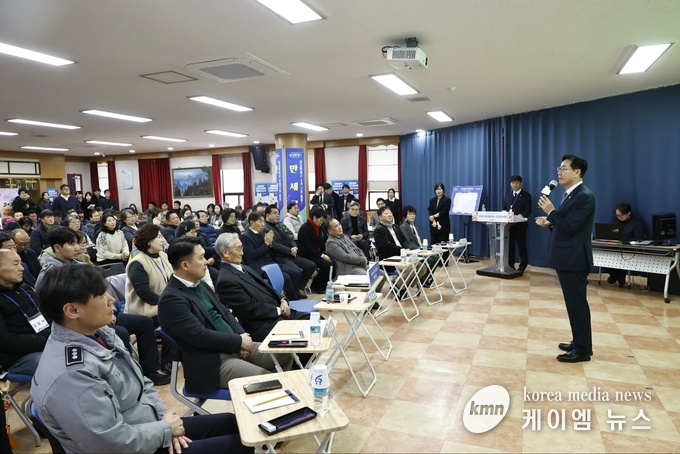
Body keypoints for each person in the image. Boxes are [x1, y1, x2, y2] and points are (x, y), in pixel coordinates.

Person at [31, 263, 251, 453]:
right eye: (101, 296)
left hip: (147, 428)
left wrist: (165, 422)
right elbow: (108, 444)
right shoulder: (71, 374)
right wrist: (165, 430)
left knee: (234, 423)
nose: (111, 300)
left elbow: (142, 384)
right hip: (128, 446)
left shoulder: (101, 334)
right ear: (72, 310)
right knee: (240, 445)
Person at [158, 237, 284, 393]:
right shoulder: (171, 299)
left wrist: (241, 335)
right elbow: (200, 336)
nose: (206, 262)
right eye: (201, 258)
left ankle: (271, 396)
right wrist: (238, 342)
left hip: (232, 345)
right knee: (267, 380)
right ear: (185, 265)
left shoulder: (200, 284)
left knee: (285, 353)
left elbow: (225, 312)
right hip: (212, 361)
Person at [536, 154, 595, 363]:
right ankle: (578, 341)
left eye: (564, 169)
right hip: (567, 256)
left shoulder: (584, 196)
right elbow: (566, 223)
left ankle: (583, 350)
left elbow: (571, 226)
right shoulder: (570, 194)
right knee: (573, 304)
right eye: (558, 169)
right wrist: (550, 221)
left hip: (574, 258)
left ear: (577, 172)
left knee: (577, 305)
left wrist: (551, 212)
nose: (559, 172)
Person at [215, 233, 309, 342]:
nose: (242, 252)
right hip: (264, 324)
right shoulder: (225, 280)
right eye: (238, 249)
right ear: (225, 252)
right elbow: (250, 308)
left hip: (277, 312)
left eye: (242, 248)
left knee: (316, 321)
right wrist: (278, 310)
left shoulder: (244, 268)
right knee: (306, 333)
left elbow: (268, 288)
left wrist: (282, 300)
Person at [125, 224, 175, 371]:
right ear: (148, 241)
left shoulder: (163, 256)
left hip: (163, 303)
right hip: (144, 308)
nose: (162, 240)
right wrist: (167, 303)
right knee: (172, 318)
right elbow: (144, 293)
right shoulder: (138, 263)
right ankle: (168, 361)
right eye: (158, 237)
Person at [0, 248, 50, 376]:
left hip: (47, 341)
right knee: (61, 366)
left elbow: (47, 314)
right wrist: (48, 341)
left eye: (20, 263)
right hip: (19, 356)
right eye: (15, 264)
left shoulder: (25, 288)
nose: (22, 268)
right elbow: (6, 341)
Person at [241, 212, 299, 299]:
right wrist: (267, 243)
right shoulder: (245, 236)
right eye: (260, 221)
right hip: (260, 267)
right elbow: (253, 255)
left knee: (296, 273)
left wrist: (270, 244)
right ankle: (291, 300)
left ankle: (290, 296)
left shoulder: (262, 233)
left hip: (271, 262)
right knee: (286, 277)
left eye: (263, 222)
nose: (263, 224)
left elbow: (272, 247)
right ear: (252, 222)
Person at [263, 205, 315, 299]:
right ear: (267, 215)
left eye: (278, 213)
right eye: (274, 213)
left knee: (311, 265)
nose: (277, 215)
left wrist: (294, 247)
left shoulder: (280, 225)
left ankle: (299, 288)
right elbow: (274, 245)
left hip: (291, 254)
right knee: (296, 271)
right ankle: (293, 295)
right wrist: (289, 250)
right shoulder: (265, 228)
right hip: (280, 257)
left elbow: (290, 237)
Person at [606, 203, 646, 286]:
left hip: (629, 250)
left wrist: (623, 239)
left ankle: (617, 276)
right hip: (615, 248)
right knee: (604, 258)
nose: (620, 217)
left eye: (622, 215)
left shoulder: (637, 224)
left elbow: (639, 238)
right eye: (618, 215)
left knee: (618, 258)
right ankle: (616, 276)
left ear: (629, 213)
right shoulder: (615, 222)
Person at [298, 207, 337, 293]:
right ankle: (317, 286)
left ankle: (325, 284)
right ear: (314, 217)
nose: (322, 222)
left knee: (333, 262)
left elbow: (321, 242)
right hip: (307, 254)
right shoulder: (305, 228)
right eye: (321, 220)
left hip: (317, 253)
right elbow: (307, 247)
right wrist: (322, 255)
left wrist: (325, 253)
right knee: (326, 265)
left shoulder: (319, 228)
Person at [502, 175, 533, 271]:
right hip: (509, 226)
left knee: (521, 247)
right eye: (512, 183)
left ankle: (523, 266)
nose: (514, 185)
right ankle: (510, 265)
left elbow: (529, 210)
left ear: (521, 183)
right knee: (510, 246)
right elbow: (504, 208)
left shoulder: (526, 195)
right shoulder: (507, 195)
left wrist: (522, 215)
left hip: (520, 226)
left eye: (516, 182)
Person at [401, 205, 438, 276]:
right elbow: (407, 243)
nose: (412, 216)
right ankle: (423, 278)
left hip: (420, 249)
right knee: (429, 260)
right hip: (413, 251)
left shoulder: (414, 226)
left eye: (413, 214)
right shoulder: (403, 227)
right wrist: (419, 249)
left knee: (436, 257)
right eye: (410, 214)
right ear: (405, 215)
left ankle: (428, 277)